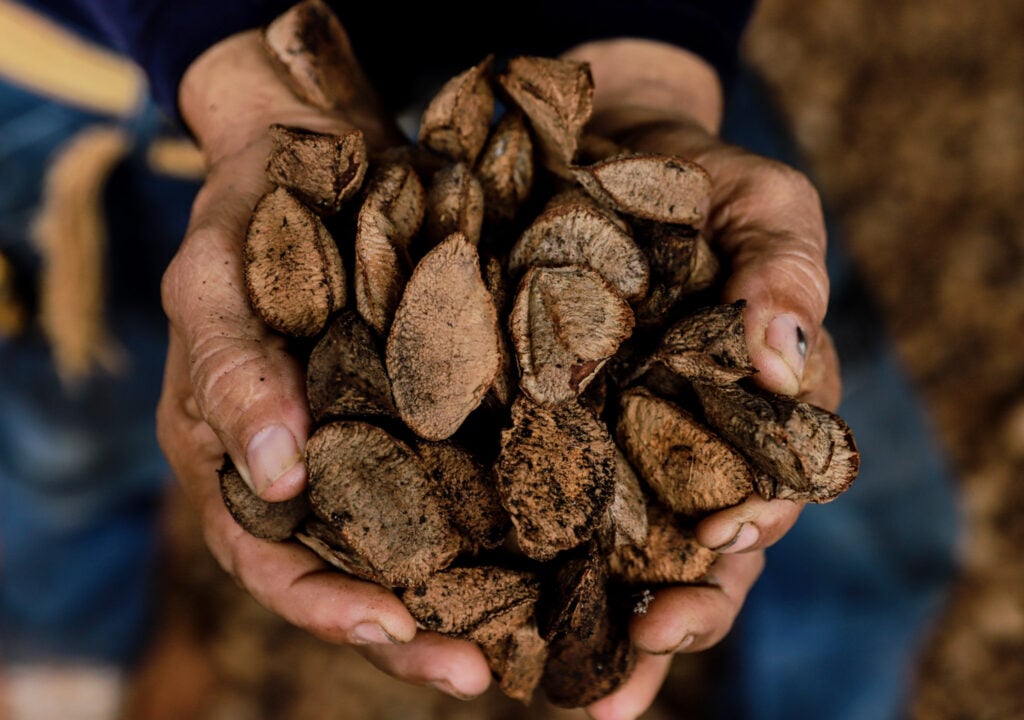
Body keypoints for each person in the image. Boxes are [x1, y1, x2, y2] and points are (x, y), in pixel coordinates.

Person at [0, 1, 960, 719]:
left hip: (593, 59)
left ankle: (838, 683)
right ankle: (74, 649)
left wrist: (656, 43)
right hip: (68, 66)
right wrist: (206, 41)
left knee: (824, 477)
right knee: (62, 430)